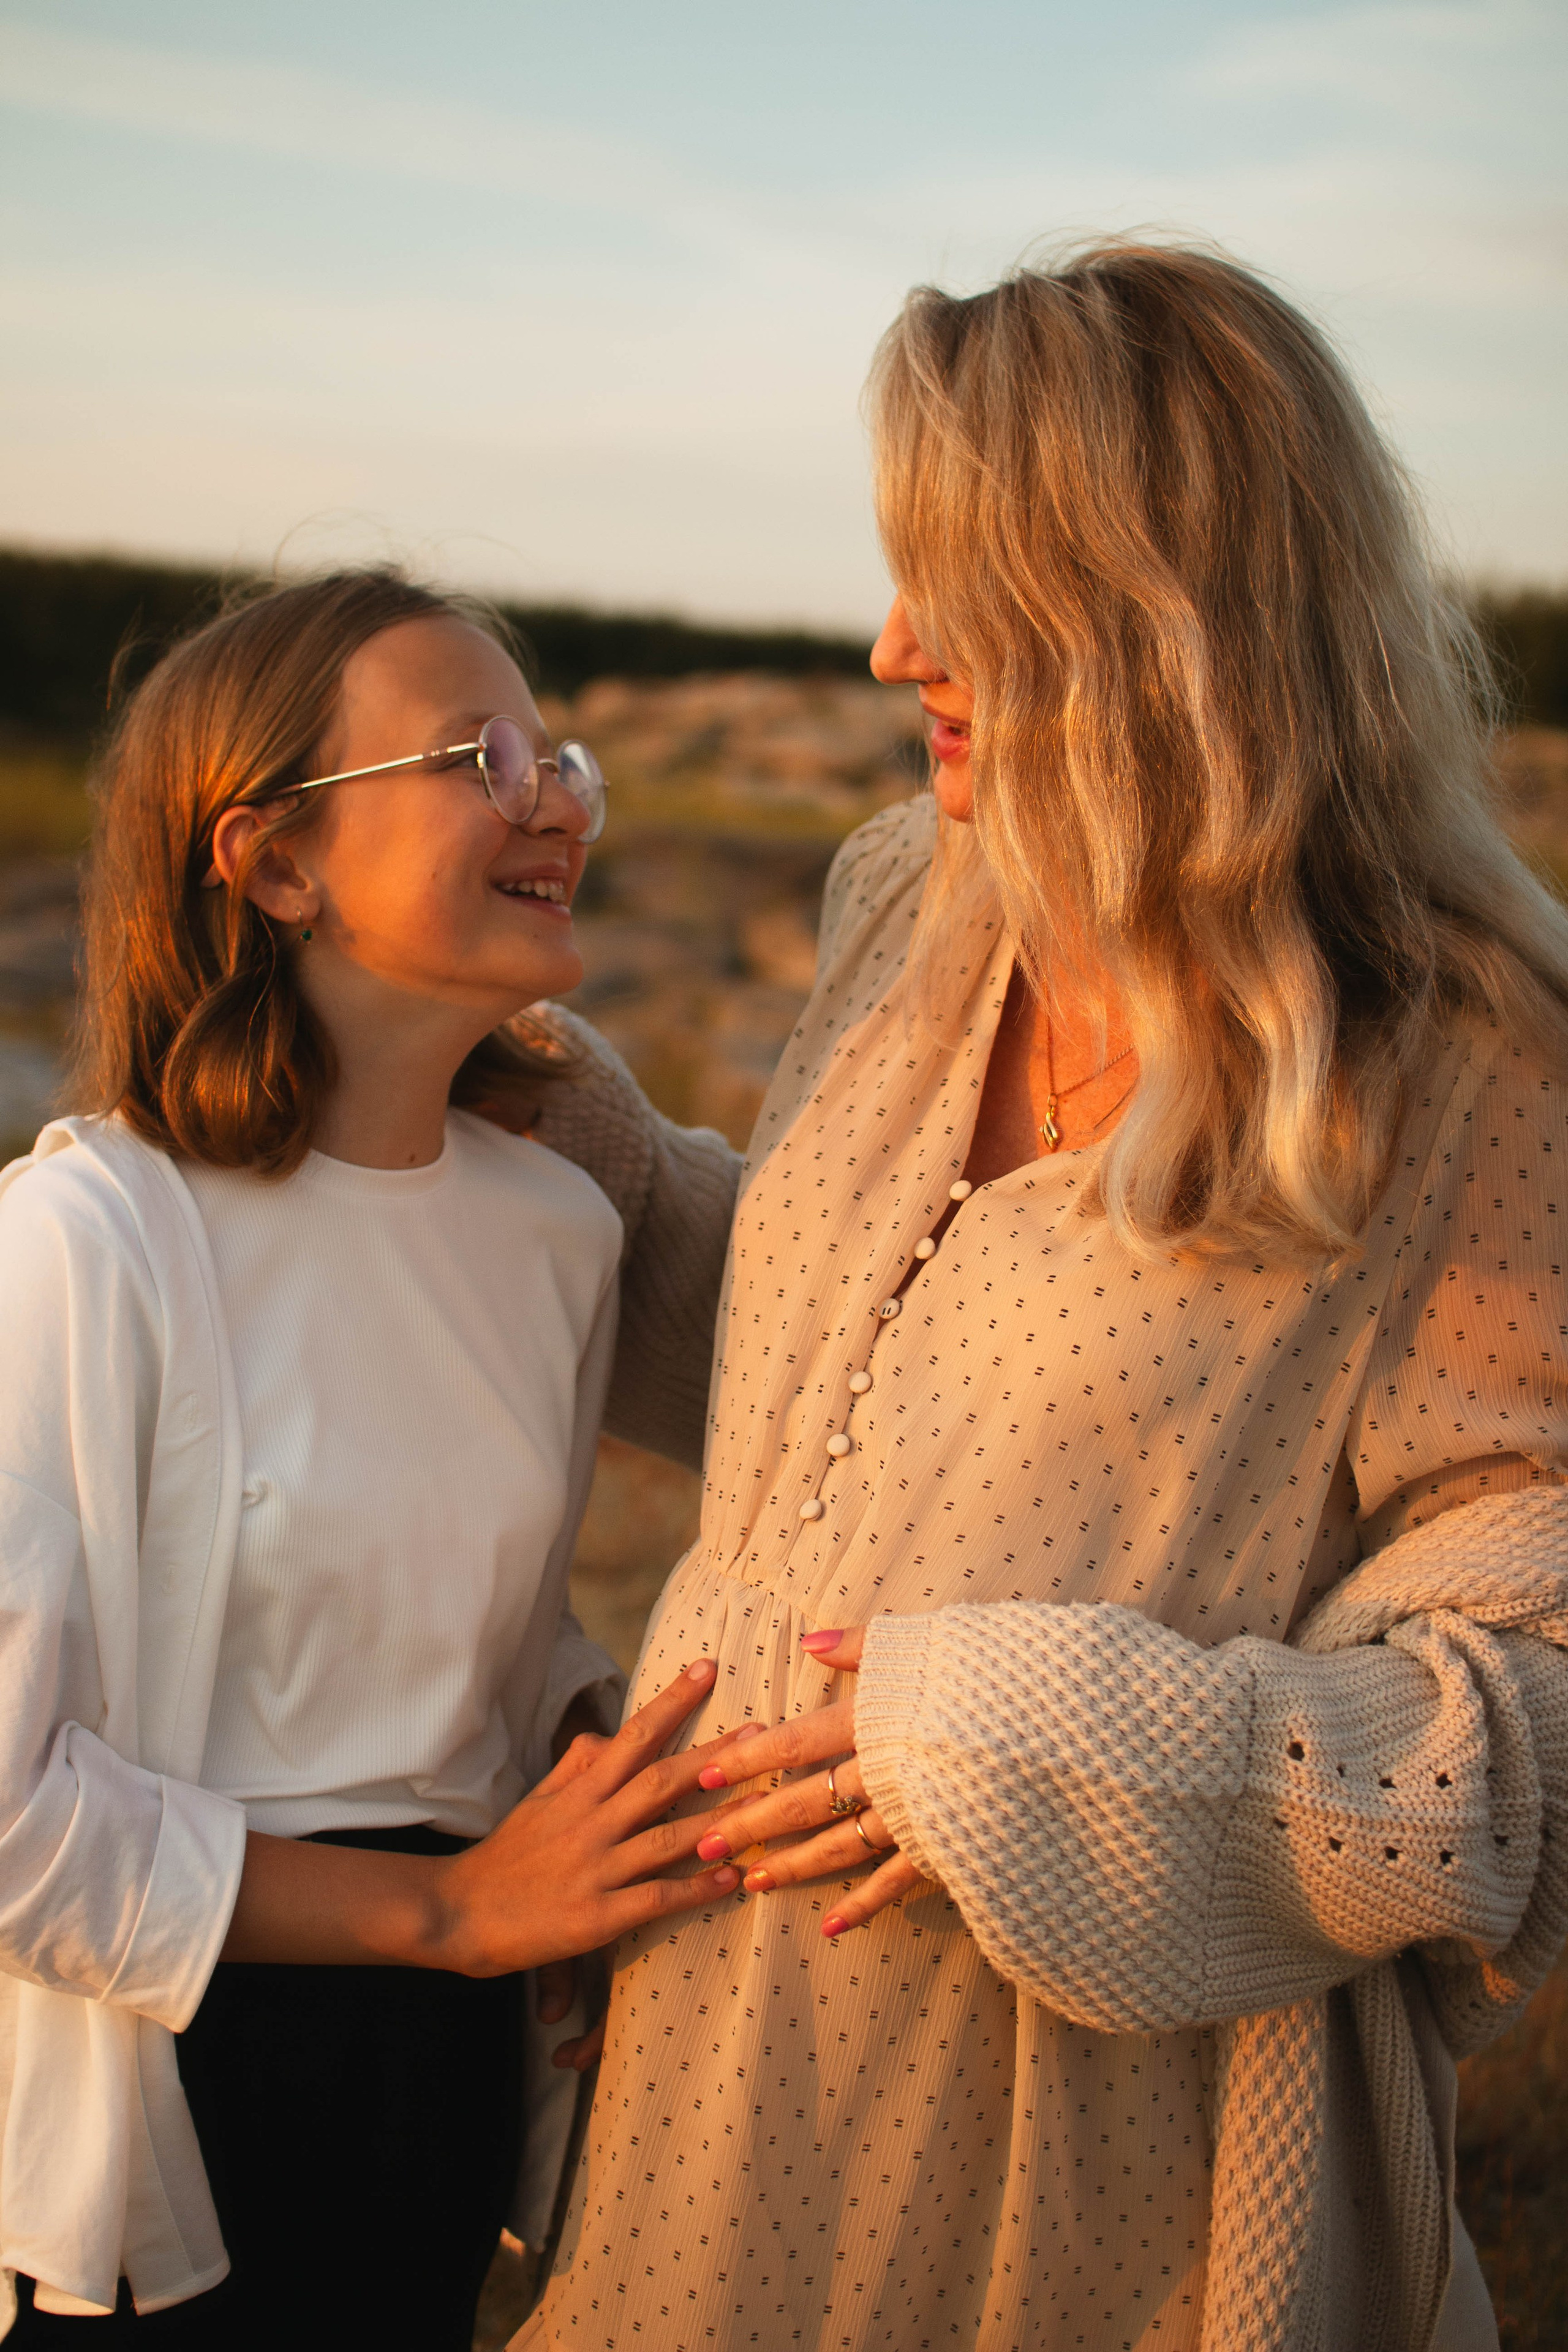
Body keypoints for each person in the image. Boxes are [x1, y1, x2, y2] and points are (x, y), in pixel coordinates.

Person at [514, 244, 1568, 2351]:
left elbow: (1533, 1709)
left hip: (1090, 2151)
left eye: (969, 589)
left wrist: (1045, 1742)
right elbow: (874, 1379)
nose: (897, 642)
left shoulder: (1466, 1066)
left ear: (1175, 617)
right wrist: (603, 1168)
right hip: (709, 2077)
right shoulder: (907, 893)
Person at [0, 571, 748, 2349]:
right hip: (184, 2080)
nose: (554, 792)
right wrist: (453, 1909)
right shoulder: (92, 1237)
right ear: (272, 864)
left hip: (456, 2074)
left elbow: (474, 1640)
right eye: (478, 754)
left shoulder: (556, 1231)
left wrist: (584, 1745)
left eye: (555, 750)